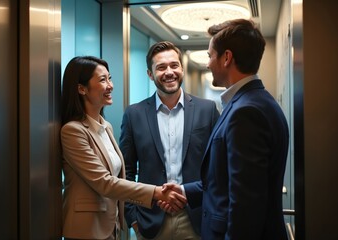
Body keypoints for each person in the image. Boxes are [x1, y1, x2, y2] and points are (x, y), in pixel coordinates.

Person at [161, 19, 289, 240]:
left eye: (210, 56)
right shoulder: (252, 102)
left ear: (227, 58)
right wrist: (183, 190)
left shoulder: (246, 112)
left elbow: (246, 205)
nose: (208, 63)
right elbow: (224, 182)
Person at [60, 56, 187, 240]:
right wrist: (157, 193)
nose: (110, 85)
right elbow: (104, 183)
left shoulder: (105, 127)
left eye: (109, 78)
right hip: (86, 230)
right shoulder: (73, 131)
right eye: (103, 80)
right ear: (81, 88)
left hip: (111, 227)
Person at [119, 41, 220, 239]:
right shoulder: (134, 114)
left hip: (197, 219)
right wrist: (133, 219)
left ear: (181, 68)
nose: (169, 72)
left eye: (174, 65)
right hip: (150, 222)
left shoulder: (207, 110)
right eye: (161, 67)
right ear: (150, 74)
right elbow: (126, 171)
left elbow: (217, 167)